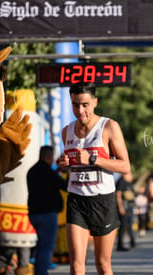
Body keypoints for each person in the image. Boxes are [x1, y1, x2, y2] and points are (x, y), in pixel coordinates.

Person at [57, 82, 130, 275]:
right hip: (76, 199)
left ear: (95, 102)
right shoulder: (67, 131)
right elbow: (70, 166)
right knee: (76, 265)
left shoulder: (109, 126)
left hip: (102, 200)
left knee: (102, 264)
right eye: (75, 105)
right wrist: (64, 163)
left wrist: (93, 158)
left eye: (85, 105)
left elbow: (125, 165)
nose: (80, 110)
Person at [27, 146, 68, 274]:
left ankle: (39, 271)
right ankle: (41, 272)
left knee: (40, 245)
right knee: (46, 247)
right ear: (49, 157)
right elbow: (65, 186)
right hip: (47, 214)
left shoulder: (32, 171)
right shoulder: (49, 173)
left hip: (33, 214)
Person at [115, 171, 136, 251]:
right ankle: (120, 244)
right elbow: (118, 195)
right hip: (124, 207)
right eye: (130, 174)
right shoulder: (121, 182)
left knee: (130, 225)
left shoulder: (129, 183)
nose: (131, 176)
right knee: (123, 226)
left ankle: (132, 241)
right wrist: (120, 207)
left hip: (130, 207)